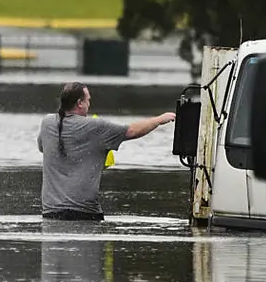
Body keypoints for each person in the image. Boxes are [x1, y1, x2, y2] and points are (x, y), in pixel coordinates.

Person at [36, 82, 176, 221]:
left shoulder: (47, 123)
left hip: (50, 212)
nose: (89, 104)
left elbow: (43, 148)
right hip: (84, 213)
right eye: (88, 100)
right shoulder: (95, 126)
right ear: (80, 103)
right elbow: (132, 131)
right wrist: (159, 120)